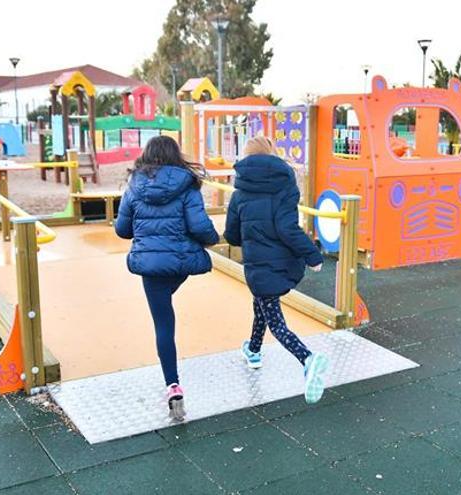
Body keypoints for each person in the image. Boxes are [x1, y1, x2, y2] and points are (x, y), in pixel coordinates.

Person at [115, 136, 219, 420]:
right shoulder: (187, 184)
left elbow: (122, 229)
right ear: (176, 155)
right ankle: (168, 292)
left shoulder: (134, 185)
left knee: (163, 323)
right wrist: (213, 240)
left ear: (146, 156)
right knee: (168, 290)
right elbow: (199, 226)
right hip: (181, 263)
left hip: (150, 264)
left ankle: (172, 386)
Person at [223, 136, 329, 404]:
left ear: (245, 160)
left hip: (258, 264)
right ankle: (254, 350)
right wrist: (311, 255)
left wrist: (247, 232)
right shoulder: (286, 187)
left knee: (275, 321)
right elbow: (287, 227)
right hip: (280, 261)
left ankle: (308, 359)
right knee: (262, 304)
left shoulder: (239, 195)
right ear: (272, 155)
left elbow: (232, 236)